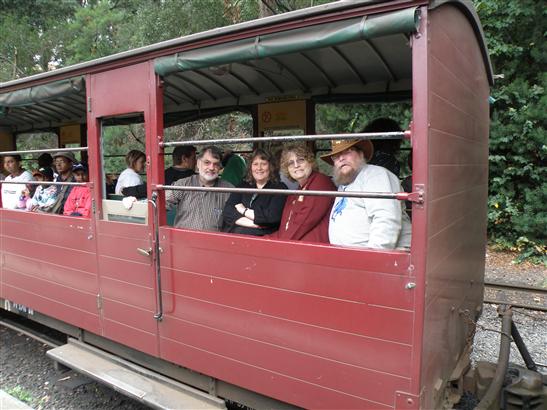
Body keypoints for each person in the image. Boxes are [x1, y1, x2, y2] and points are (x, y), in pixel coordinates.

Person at [321, 139, 411, 249]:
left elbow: (386, 220)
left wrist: (373, 257)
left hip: (378, 259)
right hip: (351, 258)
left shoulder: (375, 175)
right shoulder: (345, 182)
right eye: (336, 156)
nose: (341, 158)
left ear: (361, 154)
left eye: (347, 152)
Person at [268, 144, 336, 243]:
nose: (296, 165)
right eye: (291, 163)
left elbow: (303, 223)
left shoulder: (320, 182)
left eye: (301, 160)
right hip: (296, 245)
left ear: (310, 162)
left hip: (314, 249)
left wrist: (280, 244)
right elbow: (285, 226)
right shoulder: (297, 191)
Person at [166, 146, 233, 231]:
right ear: (198, 163)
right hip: (183, 241)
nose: (211, 168)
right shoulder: (183, 185)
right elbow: (160, 204)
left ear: (220, 167)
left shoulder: (229, 190)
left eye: (216, 164)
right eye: (207, 162)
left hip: (213, 242)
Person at [223, 149, 287, 236]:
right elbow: (228, 211)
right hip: (237, 238)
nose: (259, 168)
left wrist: (244, 211)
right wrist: (255, 224)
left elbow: (272, 217)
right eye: (255, 164)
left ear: (271, 167)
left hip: (263, 240)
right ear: (250, 167)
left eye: (263, 164)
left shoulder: (280, 188)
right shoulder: (243, 185)